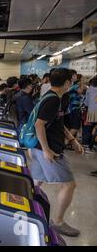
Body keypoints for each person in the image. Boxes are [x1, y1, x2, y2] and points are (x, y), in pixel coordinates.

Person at [31, 68, 84, 237]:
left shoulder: (58, 98)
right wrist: (46, 150)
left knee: (37, 181)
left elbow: (58, 123)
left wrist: (73, 140)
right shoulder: (53, 100)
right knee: (69, 185)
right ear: (67, 82)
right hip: (48, 149)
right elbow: (39, 125)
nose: (74, 83)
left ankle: (28, 206)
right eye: (73, 80)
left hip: (40, 148)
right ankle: (58, 222)